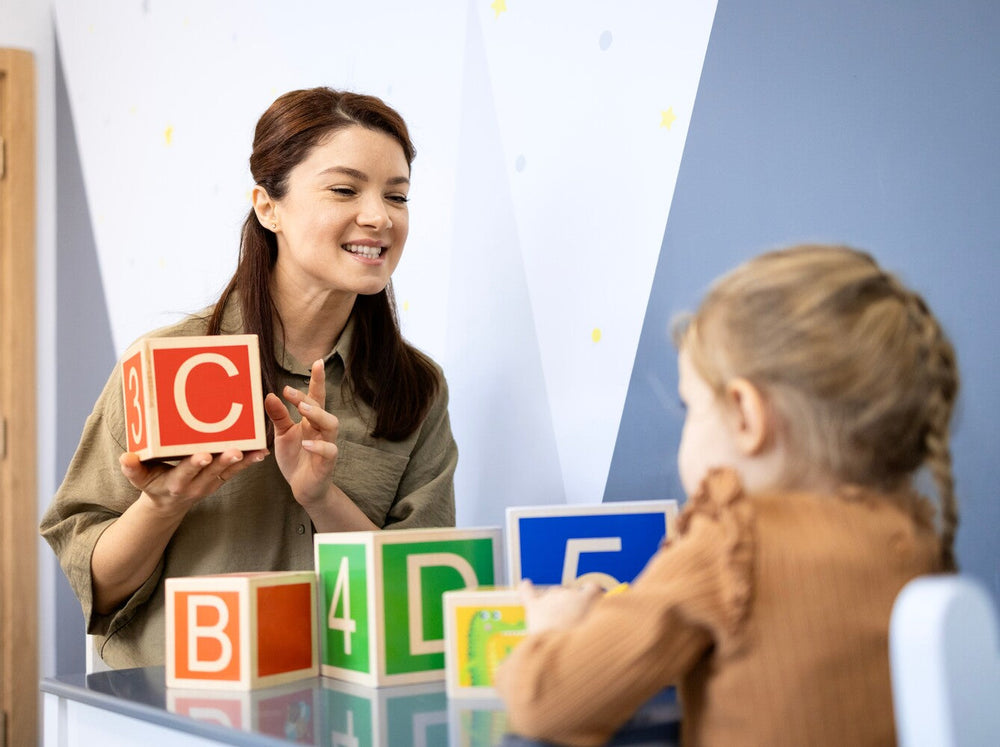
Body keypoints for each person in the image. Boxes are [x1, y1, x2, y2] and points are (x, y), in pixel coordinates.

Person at [41, 88, 458, 669]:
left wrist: (320, 497)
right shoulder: (170, 364)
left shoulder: (416, 388)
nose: (379, 216)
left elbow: (421, 601)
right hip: (177, 713)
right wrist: (162, 504)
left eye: (397, 195)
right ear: (268, 208)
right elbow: (98, 589)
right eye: (345, 189)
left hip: (346, 709)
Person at [495, 245, 959, 746]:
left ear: (745, 416)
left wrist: (548, 630)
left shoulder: (730, 546)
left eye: (690, 405)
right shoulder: (914, 536)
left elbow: (544, 702)